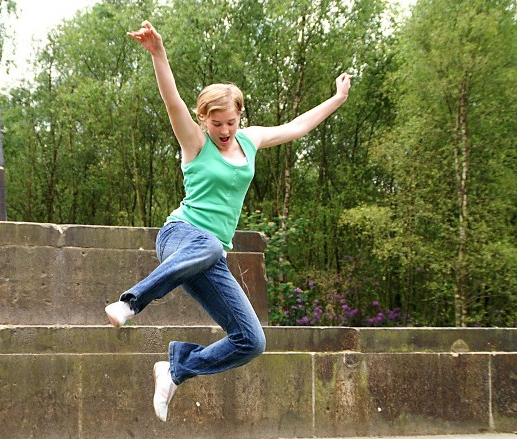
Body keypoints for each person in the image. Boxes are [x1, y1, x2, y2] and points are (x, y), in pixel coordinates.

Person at [104, 20, 352, 423]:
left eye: (230, 123)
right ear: (204, 120)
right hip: (180, 238)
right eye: (216, 123)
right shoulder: (195, 142)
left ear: (240, 117)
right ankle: (132, 302)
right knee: (211, 243)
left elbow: (297, 127)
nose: (224, 131)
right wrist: (158, 54)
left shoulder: (250, 140)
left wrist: (337, 98)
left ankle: (175, 369)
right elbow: (173, 104)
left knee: (252, 341)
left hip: (210, 254)